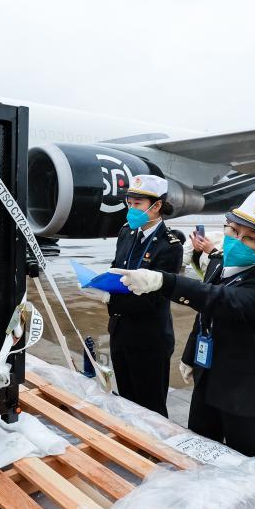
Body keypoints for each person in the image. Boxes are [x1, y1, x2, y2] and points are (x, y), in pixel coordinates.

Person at [111, 190, 255, 461]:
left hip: (247, 396)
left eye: (251, 239)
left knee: (247, 474)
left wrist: (163, 281)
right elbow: (204, 317)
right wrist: (191, 357)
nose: (237, 241)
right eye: (233, 231)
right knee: (200, 460)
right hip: (208, 384)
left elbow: (221, 299)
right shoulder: (220, 265)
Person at [80, 174, 182, 416]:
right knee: (126, 402)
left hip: (149, 339)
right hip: (120, 331)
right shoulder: (127, 232)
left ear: (156, 206)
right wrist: (99, 284)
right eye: (130, 202)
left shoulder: (170, 245)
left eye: (138, 204)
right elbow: (117, 269)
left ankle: (152, 453)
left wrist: (110, 298)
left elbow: (153, 298)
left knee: (150, 408)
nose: (131, 209)